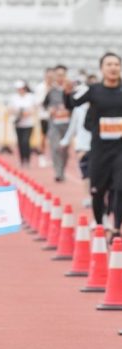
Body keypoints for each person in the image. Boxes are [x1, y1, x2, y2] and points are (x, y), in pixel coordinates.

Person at [67, 52, 122, 239]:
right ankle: (100, 224)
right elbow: (72, 102)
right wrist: (69, 91)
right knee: (98, 193)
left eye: (116, 64)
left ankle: (116, 229)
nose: (113, 67)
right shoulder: (93, 90)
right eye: (109, 64)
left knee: (120, 187)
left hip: (120, 151)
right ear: (102, 69)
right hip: (99, 151)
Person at [60, 74, 97, 208]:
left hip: (97, 145)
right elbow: (73, 127)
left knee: (97, 174)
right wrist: (65, 141)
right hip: (82, 145)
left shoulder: (99, 107)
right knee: (85, 174)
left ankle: (97, 197)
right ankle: (89, 197)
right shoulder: (78, 109)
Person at [44, 64, 71, 181]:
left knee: (64, 149)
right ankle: (58, 173)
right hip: (54, 124)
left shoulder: (70, 90)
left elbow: (75, 105)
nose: (60, 77)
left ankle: (62, 170)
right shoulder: (51, 91)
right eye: (58, 75)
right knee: (55, 148)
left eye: (62, 75)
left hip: (67, 124)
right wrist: (50, 109)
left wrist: (68, 110)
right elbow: (45, 104)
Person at [8, 80, 36, 168]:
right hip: (18, 124)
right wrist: (18, 113)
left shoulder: (30, 97)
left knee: (26, 142)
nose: (20, 90)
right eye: (18, 89)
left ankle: (27, 160)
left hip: (28, 124)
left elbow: (33, 109)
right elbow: (10, 109)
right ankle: (22, 160)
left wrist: (26, 113)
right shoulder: (14, 98)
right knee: (20, 142)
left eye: (21, 88)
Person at [34, 67, 54, 164]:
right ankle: (41, 156)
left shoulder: (56, 87)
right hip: (44, 116)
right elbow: (37, 102)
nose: (50, 78)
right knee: (43, 136)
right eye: (48, 76)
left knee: (54, 138)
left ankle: (52, 157)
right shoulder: (40, 87)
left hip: (55, 117)